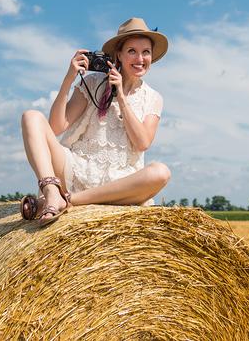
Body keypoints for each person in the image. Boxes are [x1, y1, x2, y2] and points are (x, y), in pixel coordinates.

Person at [20, 17, 171, 226]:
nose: (140, 58)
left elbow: (142, 143)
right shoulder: (92, 83)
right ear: (118, 54)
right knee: (31, 117)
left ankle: (70, 200)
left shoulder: (153, 98)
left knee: (161, 172)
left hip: (118, 186)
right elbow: (55, 127)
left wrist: (122, 98)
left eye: (146, 51)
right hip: (75, 171)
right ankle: (51, 190)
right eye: (132, 51)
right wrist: (68, 79)